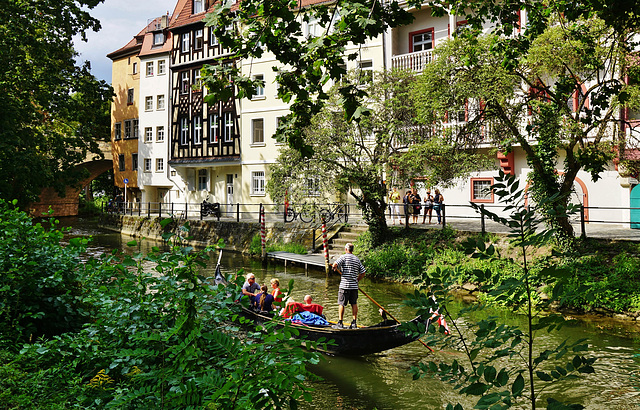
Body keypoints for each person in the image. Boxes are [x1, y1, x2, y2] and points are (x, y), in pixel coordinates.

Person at [332, 242, 366, 329]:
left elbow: (335, 264)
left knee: (341, 303)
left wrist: (334, 267)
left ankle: (340, 322)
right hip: (354, 286)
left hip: (344, 286)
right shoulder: (356, 259)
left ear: (346, 249)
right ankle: (354, 322)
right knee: (354, 303)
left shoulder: (343, 257)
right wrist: (357, 280)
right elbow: (363, 272)